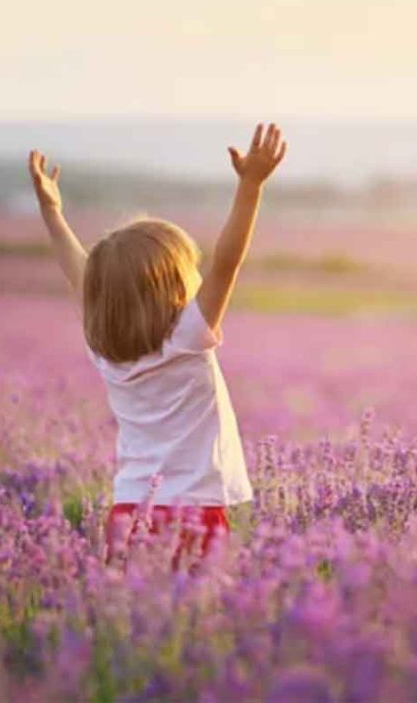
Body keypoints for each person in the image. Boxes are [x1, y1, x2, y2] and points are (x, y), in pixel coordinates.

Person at [27, 123, 287, 570]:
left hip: (129, 509)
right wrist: (250, 187)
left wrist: (53, 214)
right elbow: (228, 262)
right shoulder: (187, 337)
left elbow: (80, 276)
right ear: (170, 285)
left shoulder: (102, 345)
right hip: (192, 513)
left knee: (133, 623)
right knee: (195, 620)